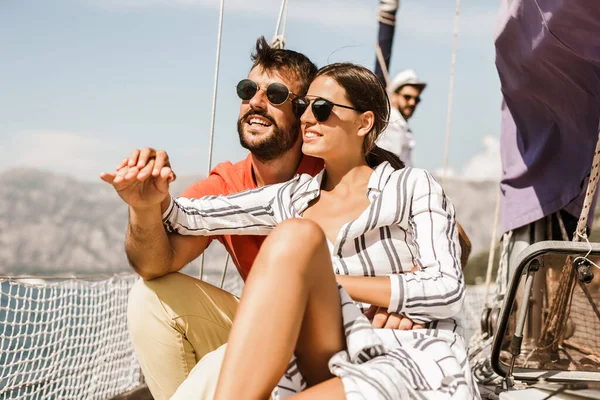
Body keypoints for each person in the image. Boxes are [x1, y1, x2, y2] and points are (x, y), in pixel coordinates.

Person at [101, 39, 420, 400]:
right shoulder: (224, 185)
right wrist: (144, 208)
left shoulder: (347, 168)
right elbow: (154, 263)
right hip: (271, 332)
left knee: (224, 362)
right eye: (248, 90)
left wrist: (408, 294)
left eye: (277, 94)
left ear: (305, 112)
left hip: (344, 340)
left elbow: (453, 240)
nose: (255, 101)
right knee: (151, 297)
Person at [159, 63, 480, 399]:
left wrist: (321, 281)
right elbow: (187, 216)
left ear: (364, 122)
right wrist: (150, 196)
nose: (307, 118)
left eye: (322, 108)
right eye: (303, 107)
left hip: (405, 358)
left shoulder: (411, 186)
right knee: (295, 235)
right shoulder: (291, 197)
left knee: (297, 237)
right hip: (323, 355)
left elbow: (446, 288)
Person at [376, 69, 426, 167]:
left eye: (416, 99)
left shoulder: (401, 125)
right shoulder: (389, 123)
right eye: (407, 97)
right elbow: (391, 166)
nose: (412, 103)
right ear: (394, 96)